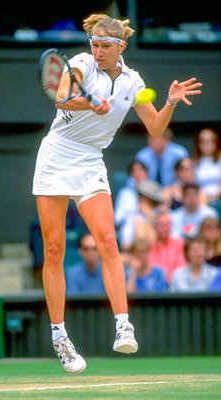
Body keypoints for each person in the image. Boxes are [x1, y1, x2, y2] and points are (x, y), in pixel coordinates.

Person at [32, 13, 202, 374]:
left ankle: (123, 324)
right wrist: (91, 102)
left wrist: (170, 101)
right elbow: (62, 98)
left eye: (105, 46)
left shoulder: (133, 82)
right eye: (94, 44)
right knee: (53, 248)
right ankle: (60, 337)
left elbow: (155, 128)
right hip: (57, 156)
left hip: (91, 161)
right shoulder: (79, 63)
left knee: (108, 241)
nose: (97, 51)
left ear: (120, 47)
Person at [118, 179, 165, 250]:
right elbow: (126, 245)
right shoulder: (132, 216)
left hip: (159, 254)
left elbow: (164, 242)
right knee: (139, 222)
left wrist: (150, 217)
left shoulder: (160, 215)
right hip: (137, 254)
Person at [148, 211, 186, 284]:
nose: (165, 228)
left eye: (167, 225)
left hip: (174, 286)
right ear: (155, 227)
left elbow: (181, 268)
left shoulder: (179, 243)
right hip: (154, 287)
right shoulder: (149, 246)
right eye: (162, 225)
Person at [193, 127, 221, 218]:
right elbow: (193, 183)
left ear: (215, 142)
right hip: (200, 199)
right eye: (202, 141)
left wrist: (211, 198)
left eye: (209, 141)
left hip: (218, 198)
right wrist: (203, 199)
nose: (205, 144)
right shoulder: (195, 162)